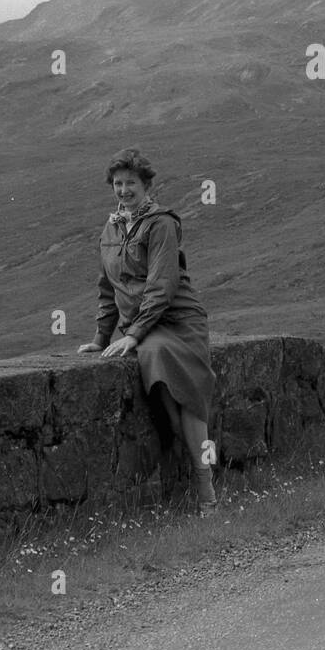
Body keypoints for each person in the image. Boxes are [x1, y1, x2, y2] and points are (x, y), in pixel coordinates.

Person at [78, 147, 218, 516]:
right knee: (169, 400)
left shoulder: (162, 224)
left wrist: (134, 335)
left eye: (131, 183)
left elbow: (163, 285)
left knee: (185, 394)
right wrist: (100, 337)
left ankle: (206, 492)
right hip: (141, 327)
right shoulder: (110, 228)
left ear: (147, 185)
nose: (123, 190)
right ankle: (195, 474)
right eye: (118, 184)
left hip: (177, 321)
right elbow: (107, 288)